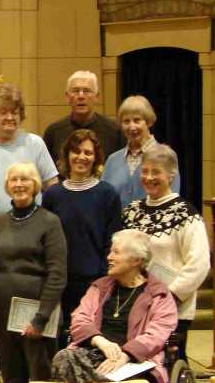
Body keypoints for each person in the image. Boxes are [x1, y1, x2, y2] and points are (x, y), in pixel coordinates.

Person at [51, 229, 178, 383]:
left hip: (135, 361)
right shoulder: (99, 287)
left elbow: (156, 335)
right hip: (93, 354)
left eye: (116, 252)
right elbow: (79, 318)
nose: (109, 257)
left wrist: (126, 355)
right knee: (63, 357)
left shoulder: (158, 294)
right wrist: (100, 341)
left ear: (136, 260)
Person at [121, 144, 209, 361]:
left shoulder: (186, 213)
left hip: (173, 308)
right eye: (145, 171)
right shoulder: (131, 212)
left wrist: (166, 298)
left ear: (171, 175)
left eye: (156, 172)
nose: (149, 177)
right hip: (135, 307)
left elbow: (199, 264)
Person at [42, 129, 122, 348]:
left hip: (94, 282)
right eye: (76, 151)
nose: (81, 157)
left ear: (96, 157)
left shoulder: (107, 194)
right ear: (67, 155)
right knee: (60, 341)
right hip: (59, 280)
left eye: (88, 153)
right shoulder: (52, 195)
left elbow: (112, 239)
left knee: (89, 337)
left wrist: (105, 278)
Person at [0, 162, 67, 383]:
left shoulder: (50, 222)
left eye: (25, 179)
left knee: (39, 376)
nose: (19, 184)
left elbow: (57, 273)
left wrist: (40, 318)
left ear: (35, 185)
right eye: (14, 179)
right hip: (4, 314)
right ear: (7, 186)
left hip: (38, 315)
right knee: (11, 375)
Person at [0, 83, 59, 214]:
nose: (10, 117)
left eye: (14, 113)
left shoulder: (35, 143)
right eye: (3, 112)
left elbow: (52, 187)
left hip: (30, 226)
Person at [103, 95, 181, 208]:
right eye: (126, 121)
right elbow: (104, 200)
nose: (132, 127)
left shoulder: (166, 156)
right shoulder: (112, 160)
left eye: (137, 120)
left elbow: (173, 201)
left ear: (148, 122)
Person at [43, 71, 124, 167]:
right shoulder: (53, 132)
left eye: (86, 91)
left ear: (97, 97)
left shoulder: (114, 130)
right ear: (67, 97)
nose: (81, 96)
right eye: (75, 91)